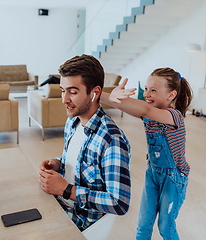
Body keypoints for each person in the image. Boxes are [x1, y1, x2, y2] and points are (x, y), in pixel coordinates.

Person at [38, 54, 132, 231]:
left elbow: (120, 203)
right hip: (60, 205)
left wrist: (66, 190)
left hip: (81, 223)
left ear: (95, 93)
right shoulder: (73, 123)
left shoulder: (111, 140)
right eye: (62, 90)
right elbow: (76, 161)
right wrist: (57, 164)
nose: (64, 99)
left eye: (73, 92)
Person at [100, 67, 192, 240]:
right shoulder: (148, 114)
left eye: (154, 90)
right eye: (146, 88)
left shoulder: (174, 116)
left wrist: (102, 95)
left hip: (173, 179)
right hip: (153, 174)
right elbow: (134, 107)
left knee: (165, 227)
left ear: (171, 95)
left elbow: (145, 110)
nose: (147, 94)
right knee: (143, 225)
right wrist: (109, 97)